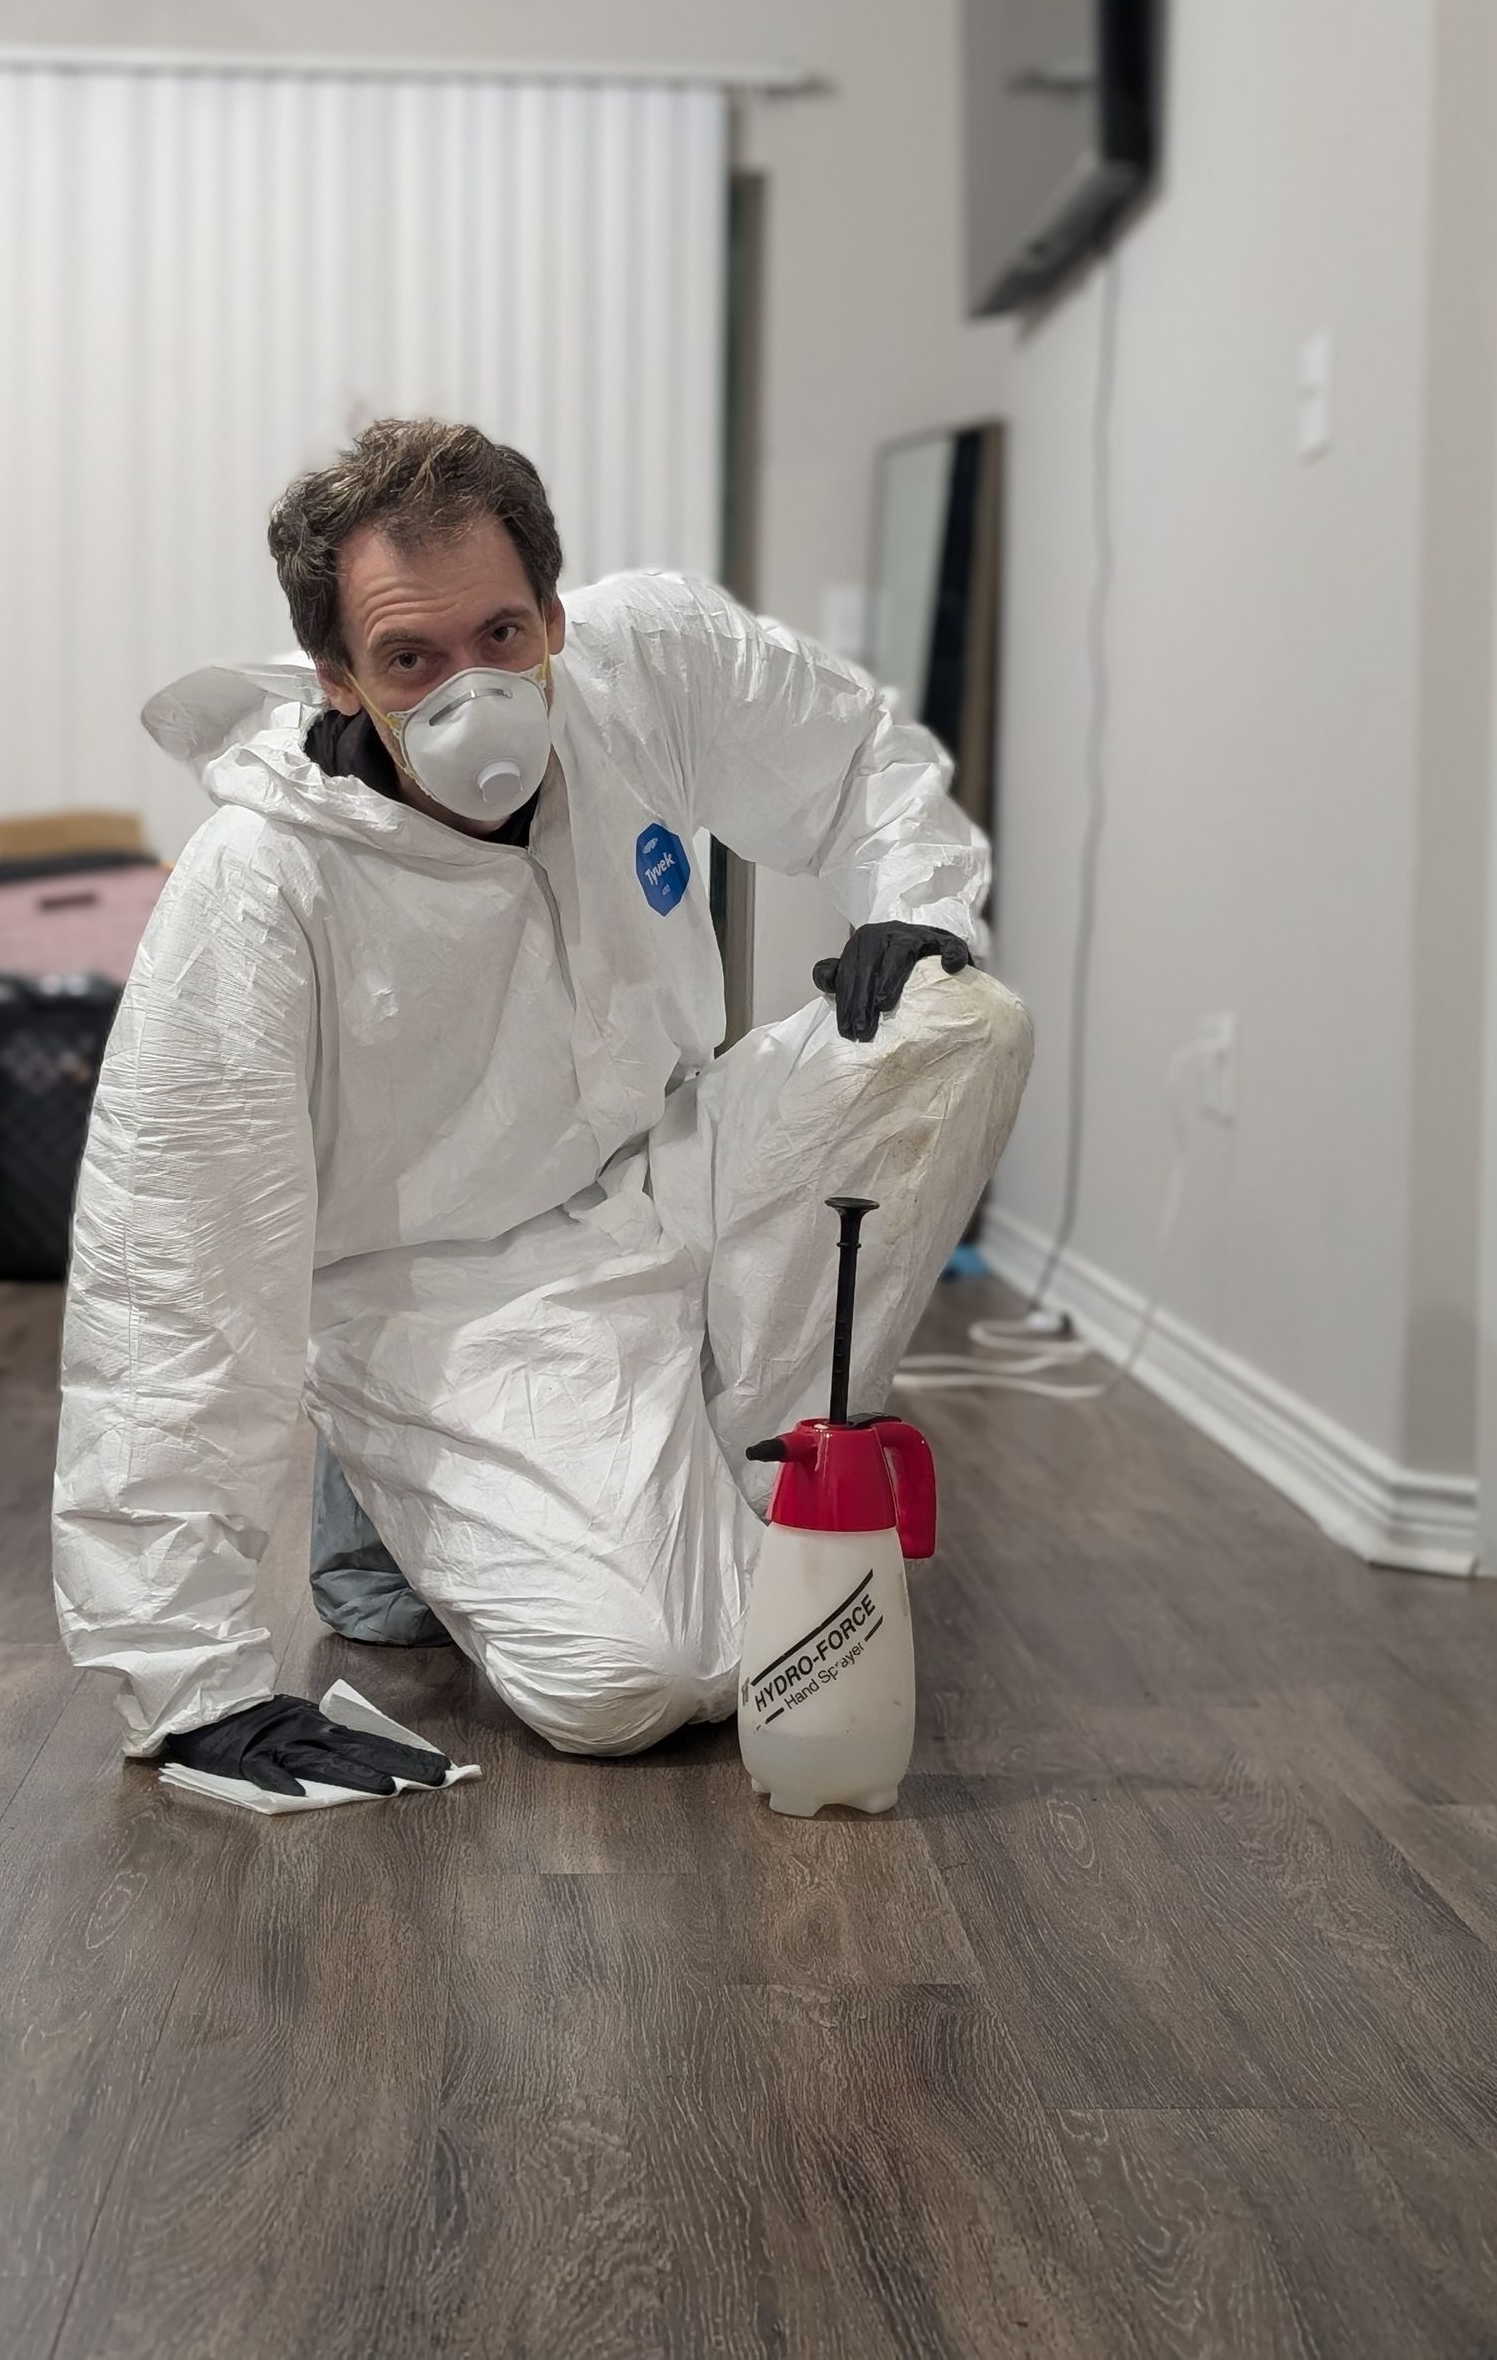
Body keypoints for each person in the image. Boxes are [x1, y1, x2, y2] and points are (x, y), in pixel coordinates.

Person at [50, 419, 1033, 1798]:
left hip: (662, 1161)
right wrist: (190, 1675)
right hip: (443, 1289)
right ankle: (409, 1497)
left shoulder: (642, 667)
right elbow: (176, 1275)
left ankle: (730, 1481)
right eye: (412, 660)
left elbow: (857, 752)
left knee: (959, 1018)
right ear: (338, 672)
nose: (475, 692)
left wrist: (918, 904)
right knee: (639, 1679)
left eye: (502, 637)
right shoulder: (261, 889)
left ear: (555, 616)